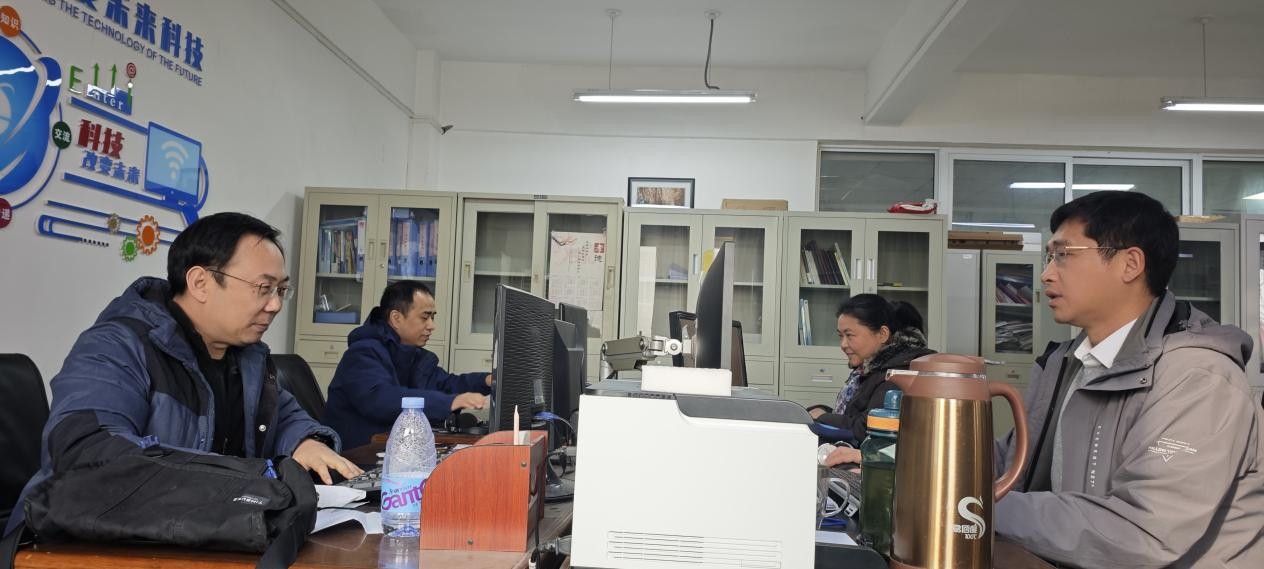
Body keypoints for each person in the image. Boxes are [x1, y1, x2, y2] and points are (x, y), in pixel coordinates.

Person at [3, 212, 359, 536]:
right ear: (200, 282)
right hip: (80, 541)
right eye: (263, 288)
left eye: (281, 290)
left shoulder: (247, 357)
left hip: (203, 531)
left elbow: (285, 417)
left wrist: (306, 442)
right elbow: (88, 453)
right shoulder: (117, 347)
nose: (276, 304)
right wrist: (254, 476)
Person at [994, 191, 1264, 567]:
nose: (1046, 274)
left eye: (1064, 255)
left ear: (1130, 264)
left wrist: (975, 507)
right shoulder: (1069, 363)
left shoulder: (1198, 379)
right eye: (1049, 257)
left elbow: (1143, 532)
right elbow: (1016, 460)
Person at [323, 280, 492, 449]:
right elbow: (380, 399)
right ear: (396, 319)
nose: (432, 326)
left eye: (432, 317)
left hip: (395, 451)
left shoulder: (413, 355)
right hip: (356, 455)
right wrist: (449, 402)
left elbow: (445, 384)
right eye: (424, 317)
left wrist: (487, 381)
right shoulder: (362, 354)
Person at [810, 294, 934, 467]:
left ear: (883, 334)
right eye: (840, 336)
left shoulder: (896, 374)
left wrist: (823, 417)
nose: (843, 344)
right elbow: (857, 412)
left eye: (850, 335)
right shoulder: (873, 367)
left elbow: (866, 428)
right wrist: (824, 412)